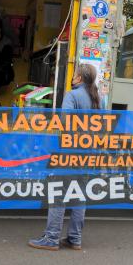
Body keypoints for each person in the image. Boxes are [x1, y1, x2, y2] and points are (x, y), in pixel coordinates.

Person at [28, 64, 101, 251]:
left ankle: (52, 238)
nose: (73, 78)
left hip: (70, 152)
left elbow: (64, 121)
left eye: (75, 75)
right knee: (79, 195)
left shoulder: (72, 95)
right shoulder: (97, 97)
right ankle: (74, 238)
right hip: (89, 153)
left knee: (58, 192)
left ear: (79, 78)